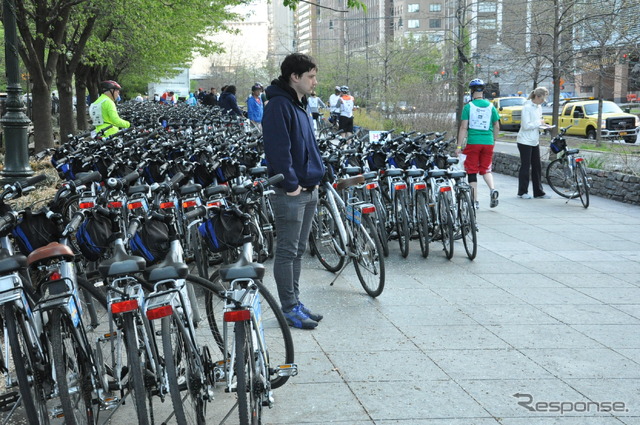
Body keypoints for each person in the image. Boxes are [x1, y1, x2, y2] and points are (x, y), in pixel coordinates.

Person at [262, 53, 324, 330]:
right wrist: (291, 184)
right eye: (310, 76)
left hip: (309, 188)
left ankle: (295, 302)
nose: (315, 81)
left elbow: (309, 145)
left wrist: (320, 173)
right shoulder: (278, 105)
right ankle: (288, 308)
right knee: (287, 252)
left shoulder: (301, 104)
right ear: (294, 77)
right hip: (292, 192)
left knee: (298, 250)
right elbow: (278, 150)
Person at [455, 78, 500, 209]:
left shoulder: (468, 107)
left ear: (472, 91)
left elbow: (463, 127)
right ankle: (492, 189)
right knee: (486, 169)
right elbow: (496, 125)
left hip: (473, 142)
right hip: (488, 142)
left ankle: (475, 201)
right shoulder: (491, 107)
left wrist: (459, 146)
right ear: (483, 91)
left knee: (472, 171)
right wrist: (494, 139)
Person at [516, 87, 551, 199]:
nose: (543, 101)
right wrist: (538, 122)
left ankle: (538, 192)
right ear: (537, 96)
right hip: (524, 141)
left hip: (534, 140)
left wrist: (543, 125)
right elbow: (526, 126)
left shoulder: (538, 107)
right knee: (525, 166)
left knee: (537, 166)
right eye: (542, 99)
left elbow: (536, 123)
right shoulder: (527, 108)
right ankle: (522, 192)